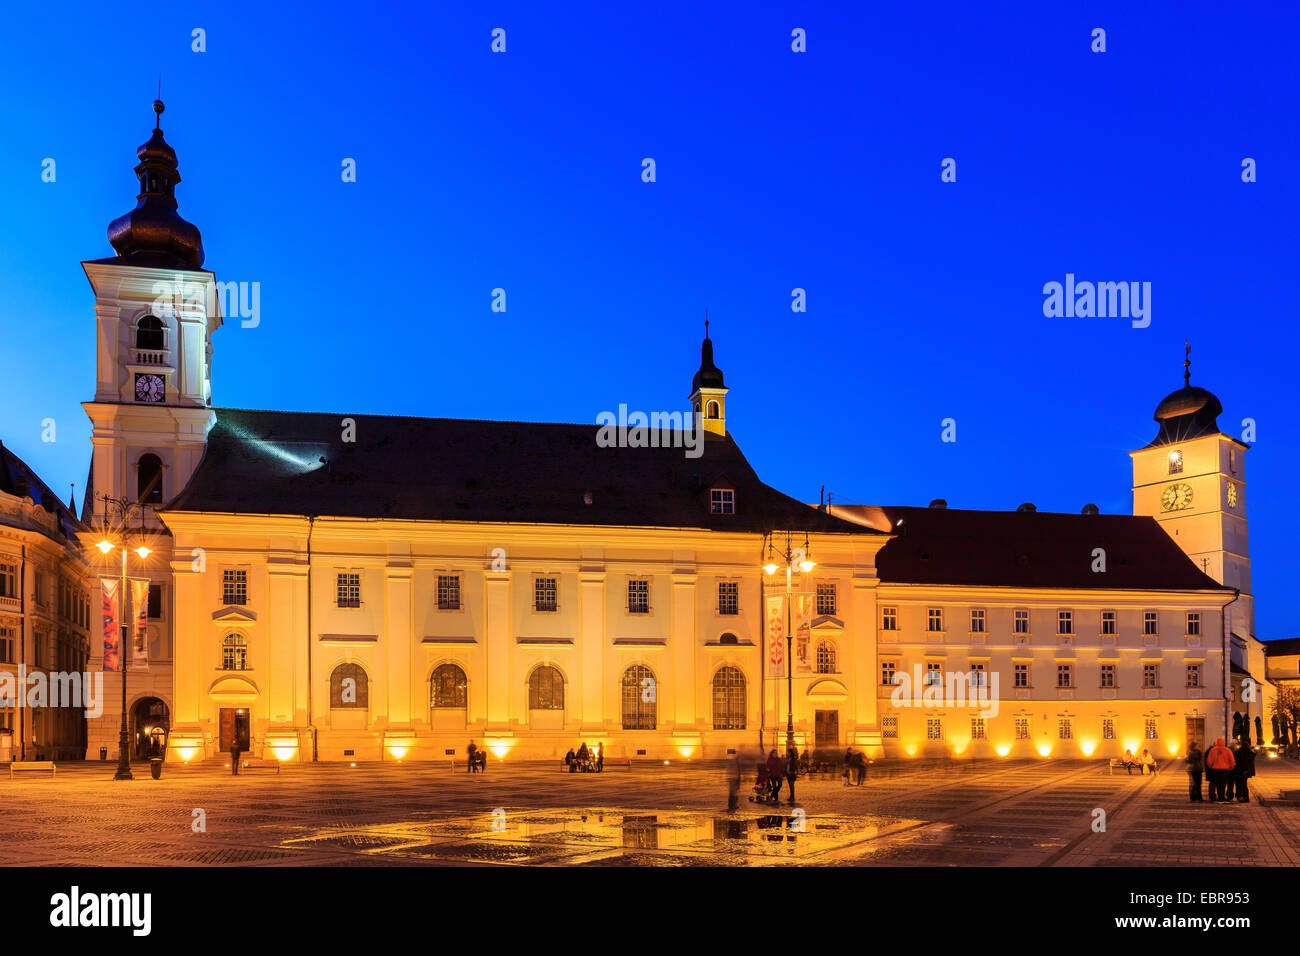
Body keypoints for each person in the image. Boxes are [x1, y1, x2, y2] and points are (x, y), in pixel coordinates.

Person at [1204, 737, 1235, 802]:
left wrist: (1211, 767)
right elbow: (1232, 761)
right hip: (1224, 770)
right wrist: (1231, 767)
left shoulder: (1212, 750)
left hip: (1215, 770)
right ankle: (1222, 797)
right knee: (1223, 784)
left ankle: (1218, 797)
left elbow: (1209, 761)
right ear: (1224, 743)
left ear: (1216, 743)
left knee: (1217, 784)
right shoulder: (1228, 750)